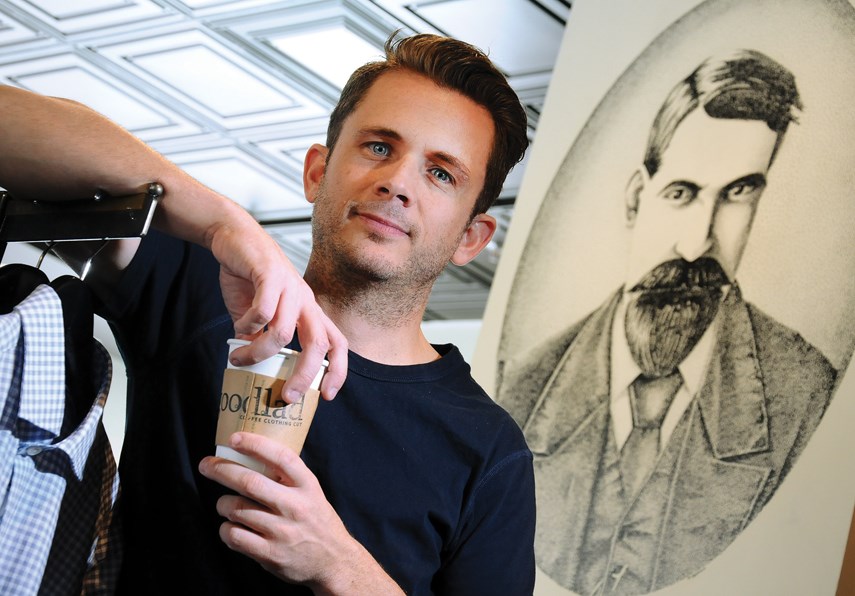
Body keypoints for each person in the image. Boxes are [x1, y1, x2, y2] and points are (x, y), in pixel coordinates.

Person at [0, 32, 535, 595]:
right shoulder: (208, 295)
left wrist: (339, 565)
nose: (397, 182)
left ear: (471, 238)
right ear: (316, 173)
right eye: (379, 146)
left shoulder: (489, 450)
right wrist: (221, 221)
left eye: (441, 173)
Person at [495, 49, 837, 595]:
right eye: (682, 194)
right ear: (637, 197)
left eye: (738, 194)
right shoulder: (523, 387)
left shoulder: (808, 394)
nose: (699, 241)